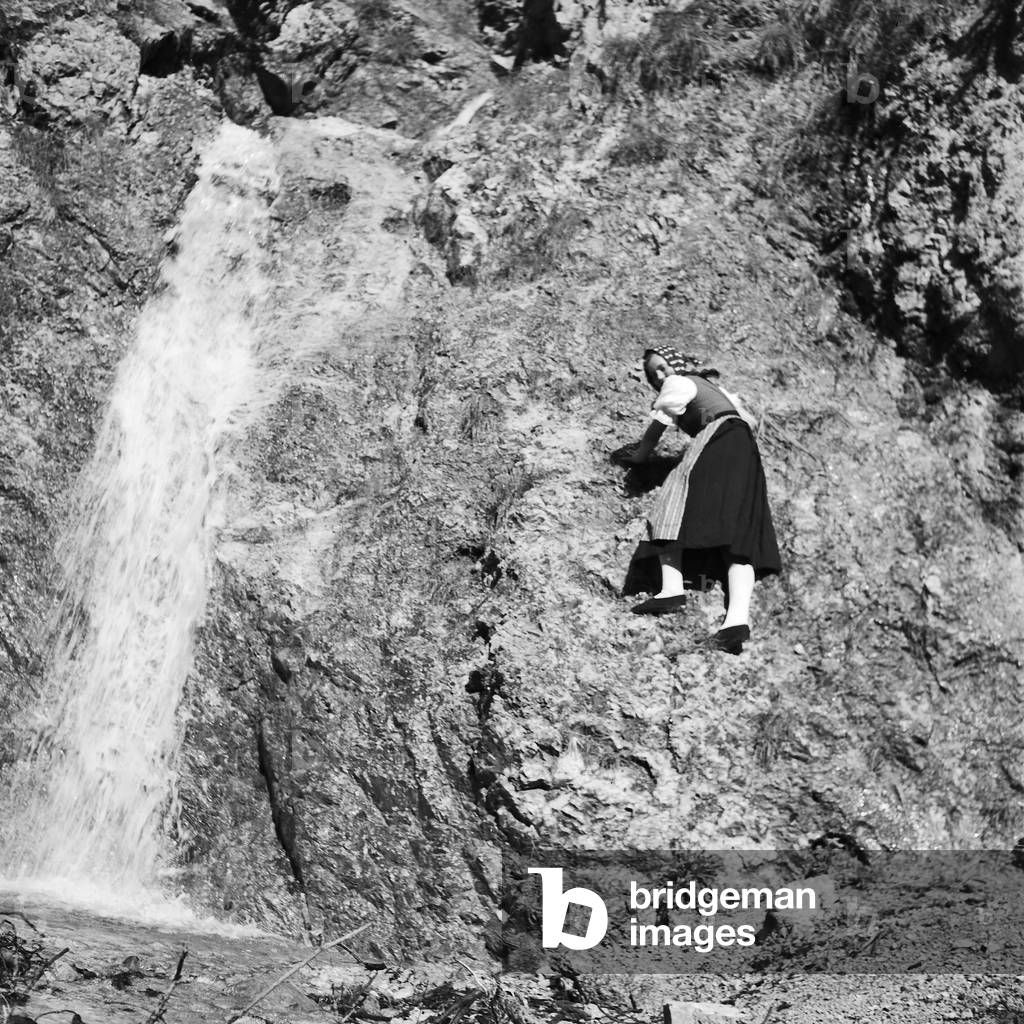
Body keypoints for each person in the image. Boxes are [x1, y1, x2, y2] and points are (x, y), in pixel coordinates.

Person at [616, 346, 781, 654]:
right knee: (738, 532)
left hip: (717, 438)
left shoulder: (679, 382)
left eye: (662, 367)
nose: (660, 375)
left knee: (673, 498)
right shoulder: (715, 389)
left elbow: (660, 422)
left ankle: (672, 588)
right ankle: (736, 621)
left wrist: (640, 454)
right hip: (744, 448)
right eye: (655, 374)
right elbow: (749, 421)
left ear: (676, 364)